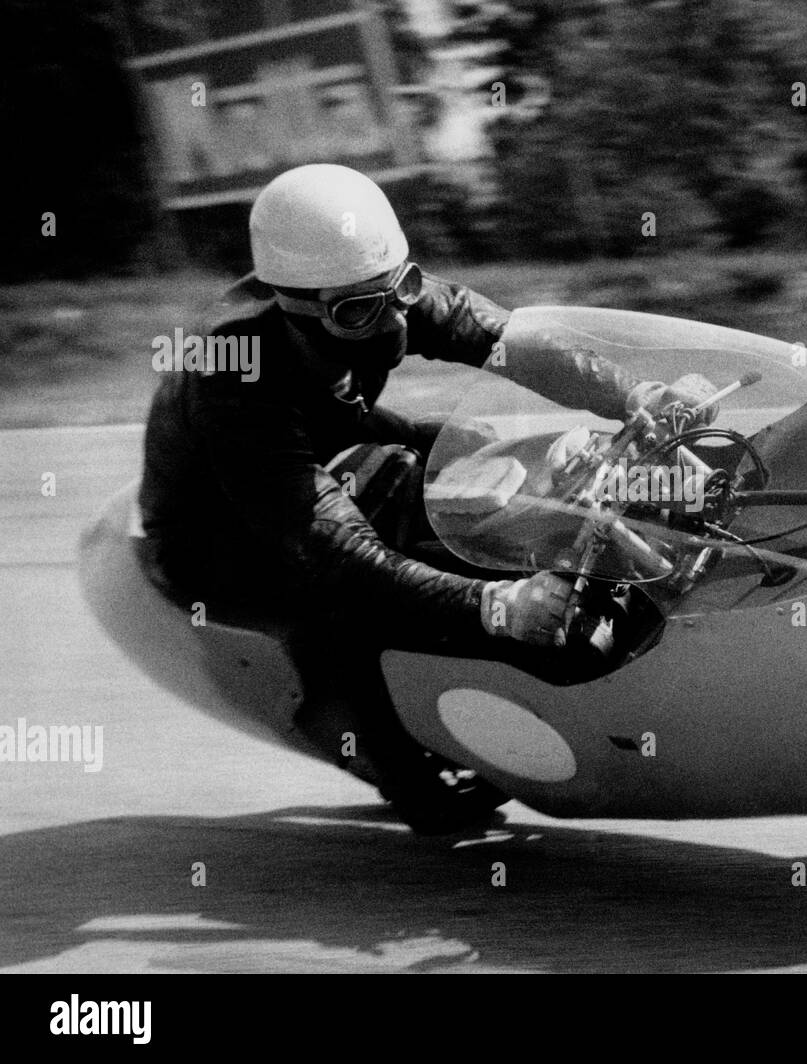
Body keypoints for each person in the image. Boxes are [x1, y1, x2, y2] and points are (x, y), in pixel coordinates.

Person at [137, 163, 715, 832]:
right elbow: (327, 542)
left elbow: (510, 342)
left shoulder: (373, 285)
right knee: (337, 590)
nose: (391, 322)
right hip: (220, 529)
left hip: (323, 436)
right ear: (296, 305)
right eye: (358, 311)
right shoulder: (231, 370)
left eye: (401, 291)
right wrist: (494, 606)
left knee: (487, 451)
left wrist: (634, 395)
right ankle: (402, 774)